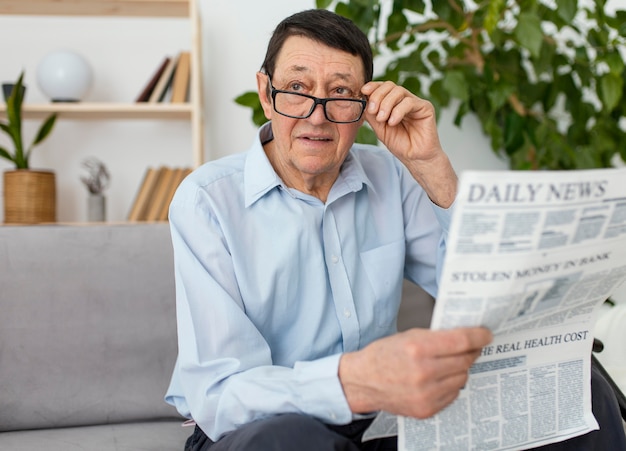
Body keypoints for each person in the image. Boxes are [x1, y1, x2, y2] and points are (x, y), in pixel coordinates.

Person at [164, 9, 626, 451]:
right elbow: (222, 394)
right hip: (263, 429)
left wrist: (431, 166)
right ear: (266, 93)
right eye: (298, 88)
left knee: (581, 391)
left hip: (385, 420)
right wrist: (354, 381)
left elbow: (488, 298)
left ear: (364, 106)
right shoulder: (206, 201)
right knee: (294, 441)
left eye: (341, 93)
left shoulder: (392, 174)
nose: (317, 115)